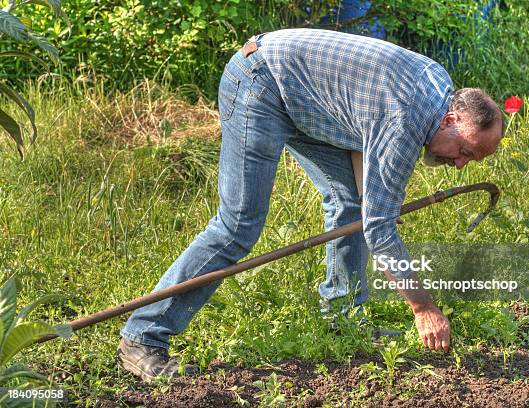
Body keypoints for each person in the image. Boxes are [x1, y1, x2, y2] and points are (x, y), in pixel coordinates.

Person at [116, 28, 503, 382]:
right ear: (450, 119)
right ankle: (143, 336)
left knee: (352, 205)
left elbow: (362, 125)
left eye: (472, 160)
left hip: (307, 100)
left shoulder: (438, 87)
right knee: (238, 225)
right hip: (261, 83)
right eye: (464, 151)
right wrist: (423, 308)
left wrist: (371, 205)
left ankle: (343, 318)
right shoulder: (407, 121)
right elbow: (380, 228)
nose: (460, 164)